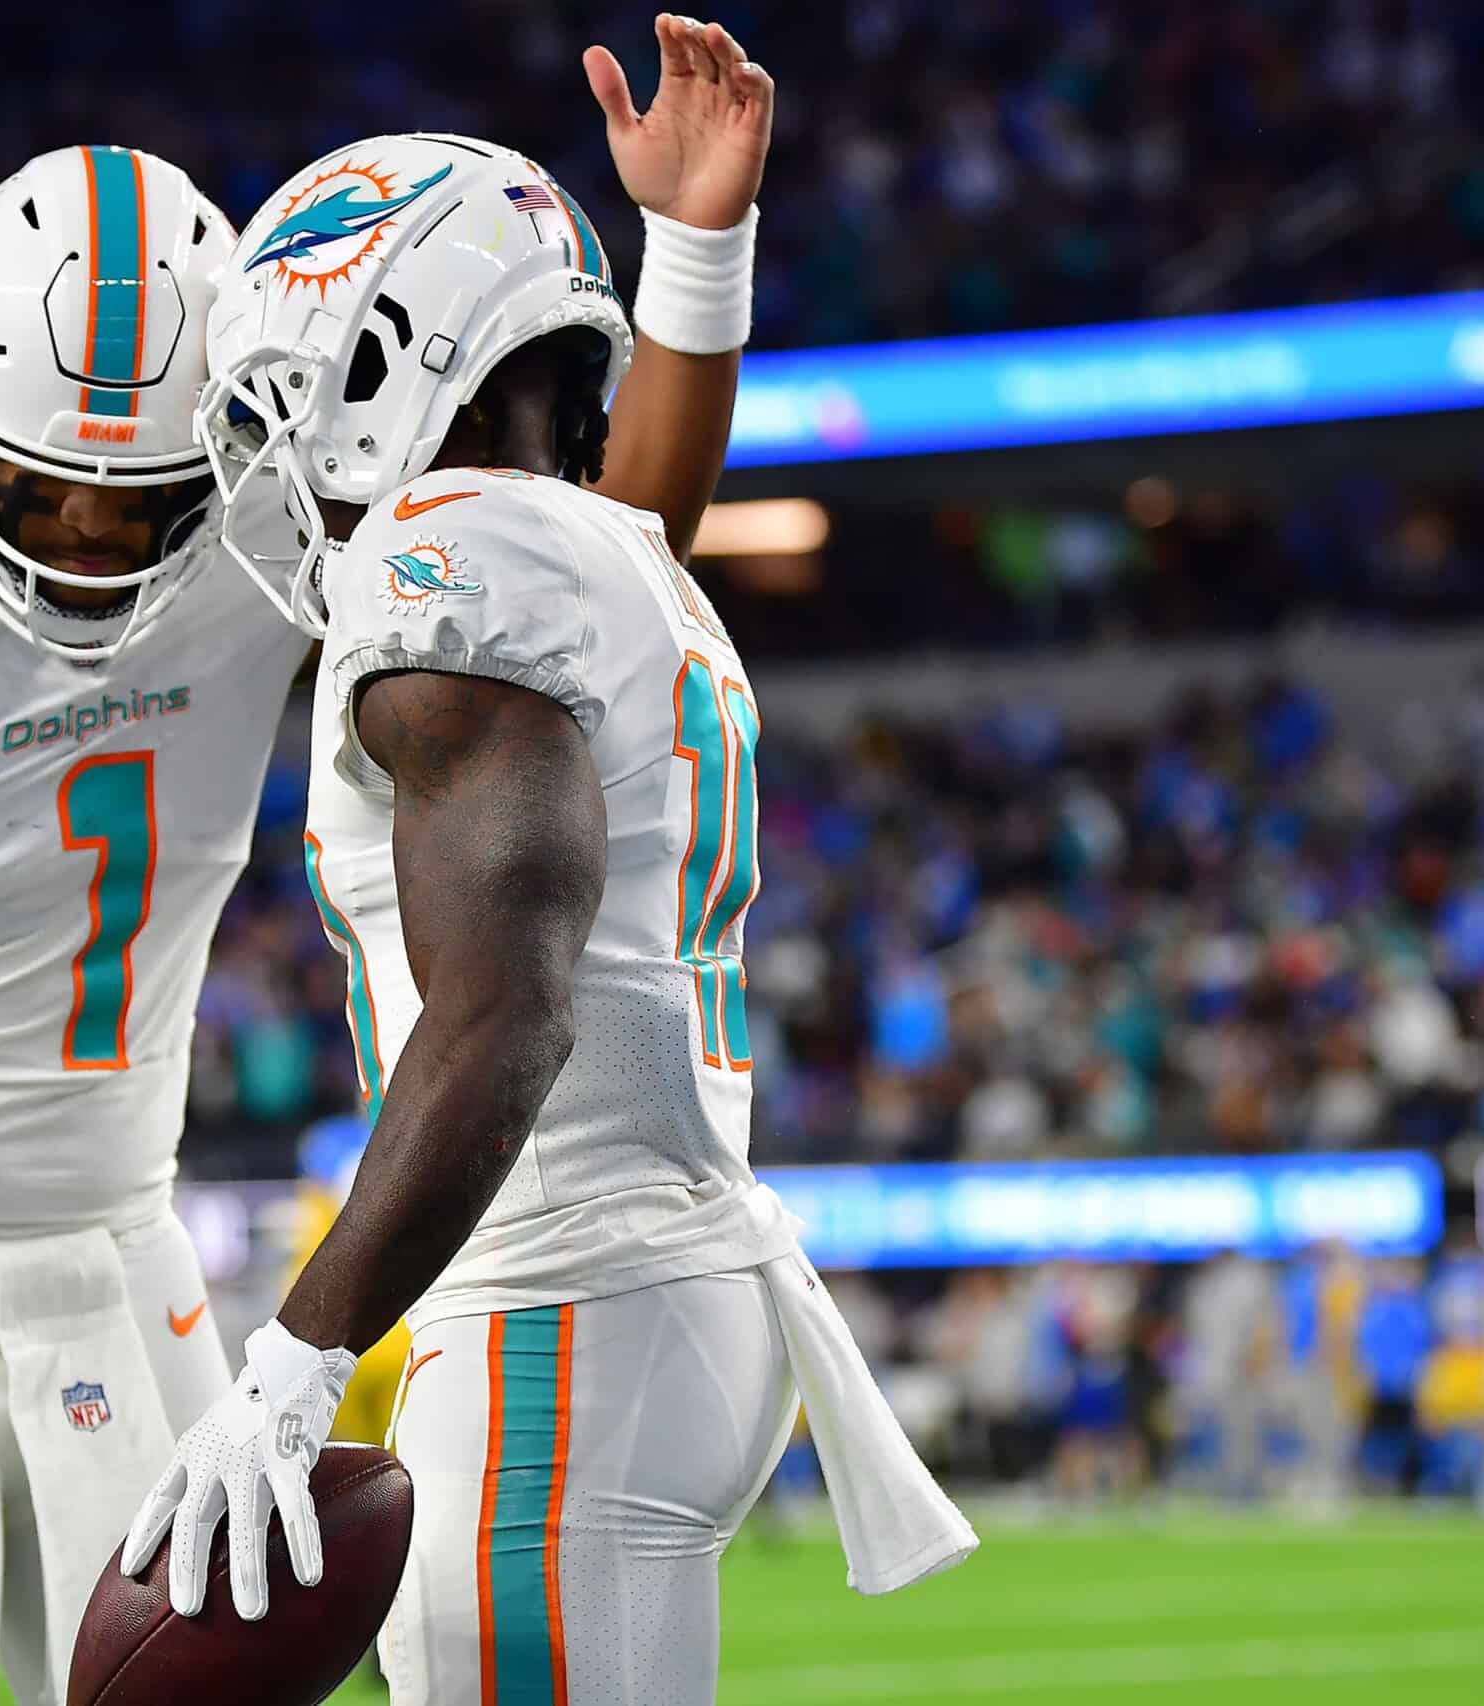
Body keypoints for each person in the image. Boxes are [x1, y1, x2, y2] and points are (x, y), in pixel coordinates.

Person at [0, 19, 773, 1705]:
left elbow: (594, 560)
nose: (96, 535)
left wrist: (692, 255)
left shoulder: (274, 542)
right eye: (44, 494)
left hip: (118, 1240)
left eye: (144, 498)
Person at [120, 118, 975, 1705]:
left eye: (294, 387)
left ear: (391, 356)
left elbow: (511, 1008)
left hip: (559, 1314)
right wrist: (699, 261)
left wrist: (296, 1365)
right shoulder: (595, 554)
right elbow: (641, 510)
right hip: (654, 1292)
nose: (277, 447)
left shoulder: (446, 554)